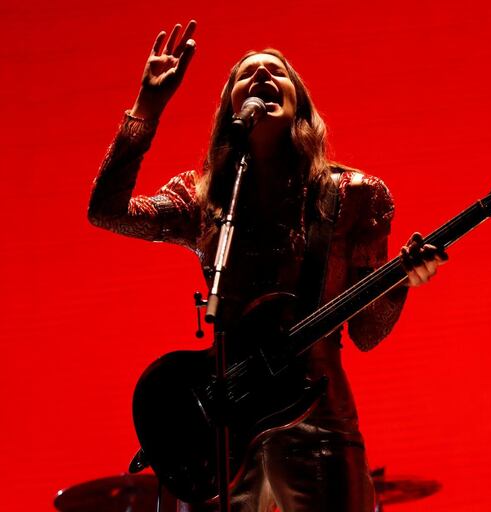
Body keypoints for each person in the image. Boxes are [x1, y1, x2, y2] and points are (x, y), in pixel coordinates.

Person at [87, 20, 446, 512]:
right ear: (231, 109)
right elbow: (106, 211)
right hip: (217, 424)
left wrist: (401, 283)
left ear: (301, 101)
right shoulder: (202, 196)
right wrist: (147, 108)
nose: (261, 78)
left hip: (317, 415)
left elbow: (367, 332)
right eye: (247, 75)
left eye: (275, 72)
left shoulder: (355, 196)